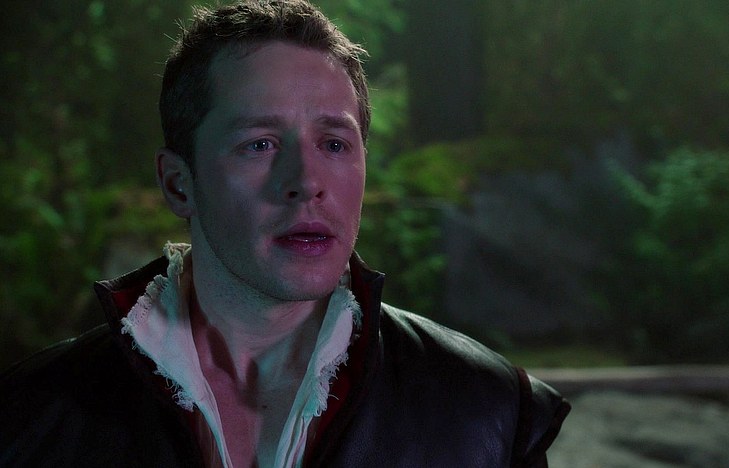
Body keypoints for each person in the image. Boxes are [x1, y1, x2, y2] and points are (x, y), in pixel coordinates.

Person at [0, 1, 569, 466]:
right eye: (260, 144)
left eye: (334, 144)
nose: (307, 182)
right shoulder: (30, 417)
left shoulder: (488, 414)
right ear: (178, 184)